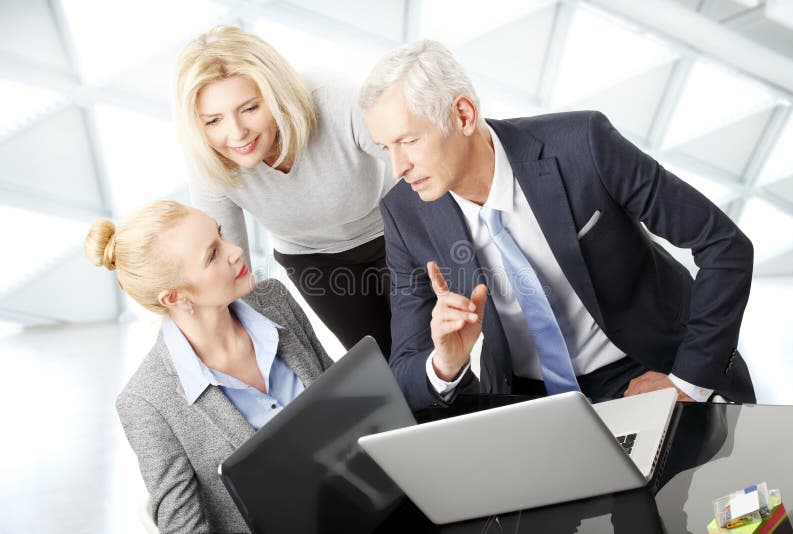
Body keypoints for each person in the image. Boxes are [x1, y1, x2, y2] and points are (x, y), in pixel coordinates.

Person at [359, 40, 756, 411]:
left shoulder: (583, 145)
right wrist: (444, 363)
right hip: (531, 402)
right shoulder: (404, 214)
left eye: (408, 141)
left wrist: (686, 382)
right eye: (385, 148)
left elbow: (723, 245)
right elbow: (406, 369)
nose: (398, 167)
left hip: (646, 364)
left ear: (463, 115)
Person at [85, 200, 333, 532]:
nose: (235, 251)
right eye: (212, 254)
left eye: (220, 234)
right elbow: (184, 526)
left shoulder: (276, 301)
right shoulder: (147, 402)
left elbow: (344, 397)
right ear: (175, 298)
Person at [174, 25, 394, 358]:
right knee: (385, 359)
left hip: (392, 229)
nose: (237, 134)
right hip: (314, 260)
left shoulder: (331, 97)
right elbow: (226, 260)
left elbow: (415, 161)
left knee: (430, 351)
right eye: (214, 120)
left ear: (276, 94)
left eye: (249, 108)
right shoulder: (208, 160)